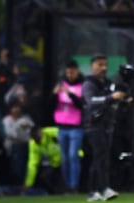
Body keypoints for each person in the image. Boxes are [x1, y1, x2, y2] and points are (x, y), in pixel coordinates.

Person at [82, 54, 125, 201]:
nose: (103, 68)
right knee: (100, 157)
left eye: (105, 65)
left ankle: (93, 190)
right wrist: (111, 98)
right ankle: (103, 188)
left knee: (101, 157)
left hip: (106, 124)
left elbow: (112, 103)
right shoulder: (89, 83)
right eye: (100, 65)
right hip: (94, 124)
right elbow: (90, 101)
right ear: (92, 66)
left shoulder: (107, 83)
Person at [52, 60, 84, 193]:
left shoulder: (82, 86)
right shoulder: (60, 85)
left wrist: (70, 94)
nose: (70, 75)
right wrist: (54, 94)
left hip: (75, 127)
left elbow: (81, 105)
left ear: (77, 71)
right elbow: (51, 105)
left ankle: (74, 185)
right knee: (64, 158)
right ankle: (66, 185)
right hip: (62, 126)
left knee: (73, 156)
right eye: (68, 73)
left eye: (72, 72)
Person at [23, 126, 64, 194]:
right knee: (44, 176)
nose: (36, 137)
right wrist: (28, 183)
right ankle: (53, 193)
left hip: (65, 161)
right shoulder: (33, 144)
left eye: (37, 134)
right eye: (34, 137)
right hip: (53, 163)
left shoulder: (51, 133)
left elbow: (65, 137)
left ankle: (70, 190)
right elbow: (32, 164)